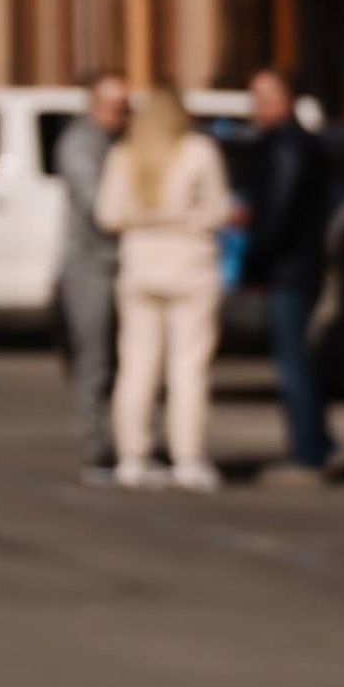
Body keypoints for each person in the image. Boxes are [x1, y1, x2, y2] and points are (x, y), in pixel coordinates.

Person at [96, 82, 233, 490]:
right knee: (188, 366)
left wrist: (147, 221)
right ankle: (187, 456)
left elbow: (107, 214)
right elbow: (219, 209)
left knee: (137, 364)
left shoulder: (126, 154)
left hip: (140, 264)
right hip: (189, 264)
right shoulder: (199, 151)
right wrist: (185, 220)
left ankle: (132, 456)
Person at [241, 66, 334, 480]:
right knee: (298, 360)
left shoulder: (289, 147)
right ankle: (315, 442)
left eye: (263, 98)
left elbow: (278, 212)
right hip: (294, 266)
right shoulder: (284, 144)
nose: (255, 107)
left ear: (287, 100)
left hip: (291, 269)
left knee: (294, 363)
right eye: (253, 97)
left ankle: (308, 452)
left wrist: (253, 258)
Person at [53, 70, 130, 484]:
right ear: (94, 106)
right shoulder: (79, 143)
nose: (122, 116)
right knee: (94, 358)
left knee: (131, 362)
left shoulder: (127, 141)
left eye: (125, 107)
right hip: (91, 266)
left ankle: (134, 442)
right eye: (114, 108)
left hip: (131, 264)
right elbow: (97, 206)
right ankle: (98, 447)